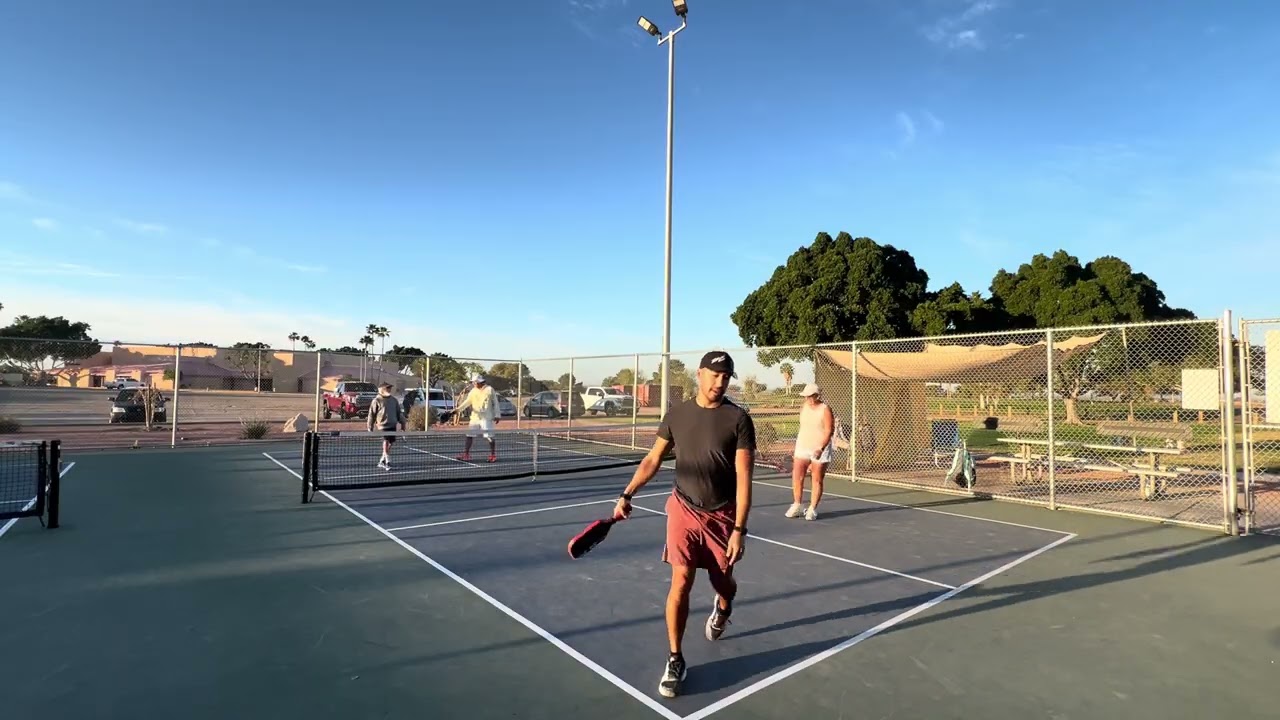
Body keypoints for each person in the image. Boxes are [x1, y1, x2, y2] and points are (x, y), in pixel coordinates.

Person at [614, 351, 755, 699]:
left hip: (722, 515)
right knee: (681, 581)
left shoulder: (738, 419)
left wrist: (739, 528)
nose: (720, 382)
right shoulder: (677, 414)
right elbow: (653, 459)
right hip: (683, 509)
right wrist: (627, 493)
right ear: (700, 374)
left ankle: (723, 607)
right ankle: (675, 658)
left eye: (726, 376)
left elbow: (745, 478)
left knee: (725, 583)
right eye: (715, 374)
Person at [786, 383, 834, 520]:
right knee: (797, 476)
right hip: (802, 446)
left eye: (811, 396)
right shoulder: (804, 407)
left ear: (817, 396)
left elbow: (828, 431)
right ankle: (797, 505)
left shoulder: (825, 409)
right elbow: (804, 427)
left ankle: (812, 508)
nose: (808, 399)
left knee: (817, 479)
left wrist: (821, 448)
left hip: (819, 448)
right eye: (806, 396)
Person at [456, 374, 501, 463]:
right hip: (475, 418)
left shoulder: (489, 389)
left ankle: (493, 455)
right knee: (469, 435)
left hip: (487, 417)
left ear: (481, 382)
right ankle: (466, 454)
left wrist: (497, 415)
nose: (474, 384)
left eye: (475, 382)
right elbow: (467, 402)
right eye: (473, 382)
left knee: (489, 436)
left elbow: (495, 403)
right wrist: (456, 410)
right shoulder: (473, 391)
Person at [367, 382, 405, 470]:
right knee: (386, 440)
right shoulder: (376, 400)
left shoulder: (394, 400)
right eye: (387, 388)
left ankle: (382, 460)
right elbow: (371, 414)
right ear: (381, 390)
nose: (389, 390)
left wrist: (403, 424)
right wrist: (370, 426)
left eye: (390, 388)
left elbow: (399, 413)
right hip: (382, 425)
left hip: (392, 425)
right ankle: (388, 461)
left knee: (391, 442)